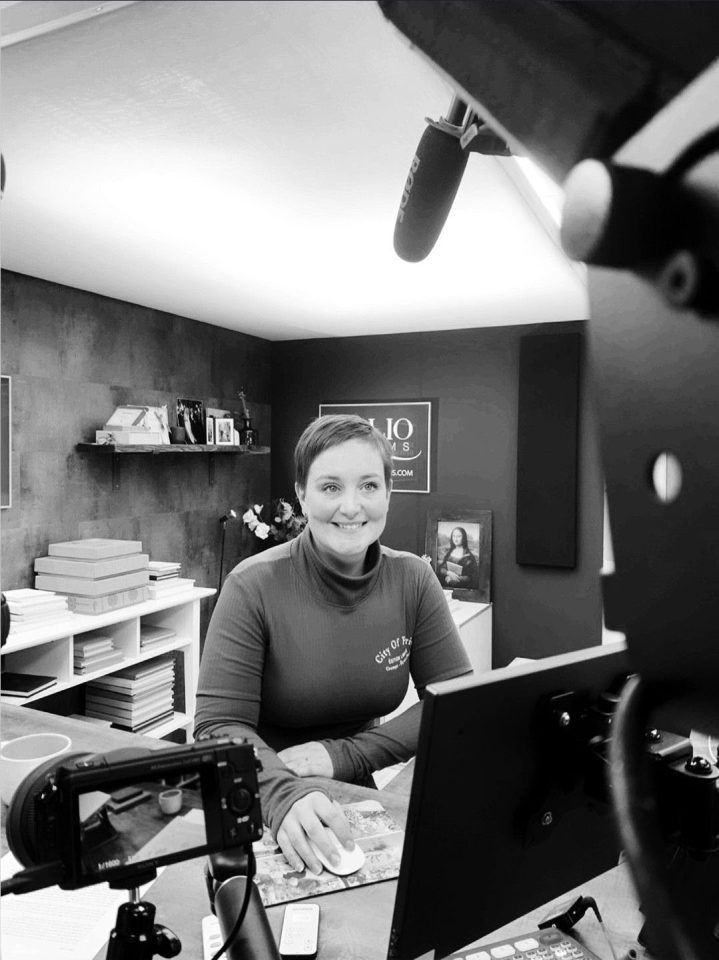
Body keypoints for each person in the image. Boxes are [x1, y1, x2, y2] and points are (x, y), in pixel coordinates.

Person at [194, 414, 472, 875]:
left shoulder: (413, 580)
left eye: (368, 486)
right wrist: (282, 796)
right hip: (260, 790)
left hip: (356, 791)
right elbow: (217, 726)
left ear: (388, 494)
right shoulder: (252, 585)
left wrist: (346, 754)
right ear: (301, 494)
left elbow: (455, 701)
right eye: (329, 487)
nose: (351, 506)